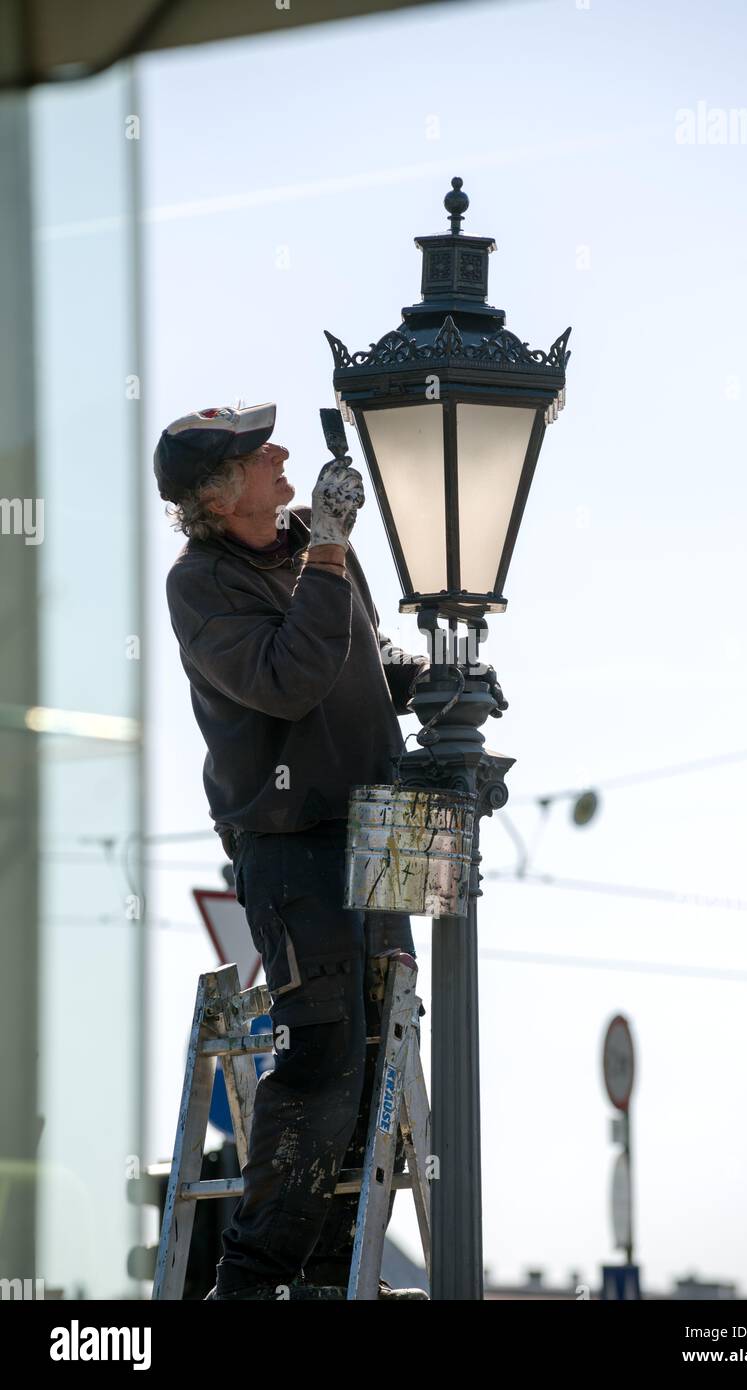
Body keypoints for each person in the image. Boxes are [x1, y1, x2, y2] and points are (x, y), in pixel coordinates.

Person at [154, 401, 431, 1300]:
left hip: (375, 829)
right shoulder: (201, 581)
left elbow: (359, 651)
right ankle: (254, 1281)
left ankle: (330, 1275)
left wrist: (423, 676)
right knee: (324, 1052)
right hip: (292, 844)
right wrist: (331, 551)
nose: (281, 453)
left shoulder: (312, 540)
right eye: (254, 451)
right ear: (217, 494)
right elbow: (290, 679)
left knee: (381, 1057)